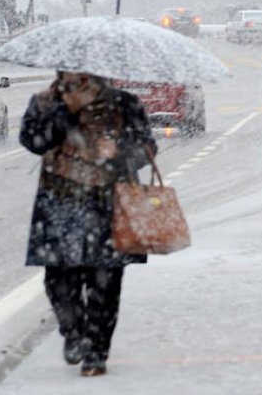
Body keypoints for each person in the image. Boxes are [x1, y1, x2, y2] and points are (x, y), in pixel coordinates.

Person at [20, 71, 157, 376]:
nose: (78, 75)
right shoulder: (46, 102)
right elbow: (33, 140)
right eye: (71, 69)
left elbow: (147, 148)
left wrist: (116, 156)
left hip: (109, 206)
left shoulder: (123, 103)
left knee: (105, 284)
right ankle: (73, 332)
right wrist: (65, 113)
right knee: (58, 280)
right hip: (59, 206)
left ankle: (97, 351)